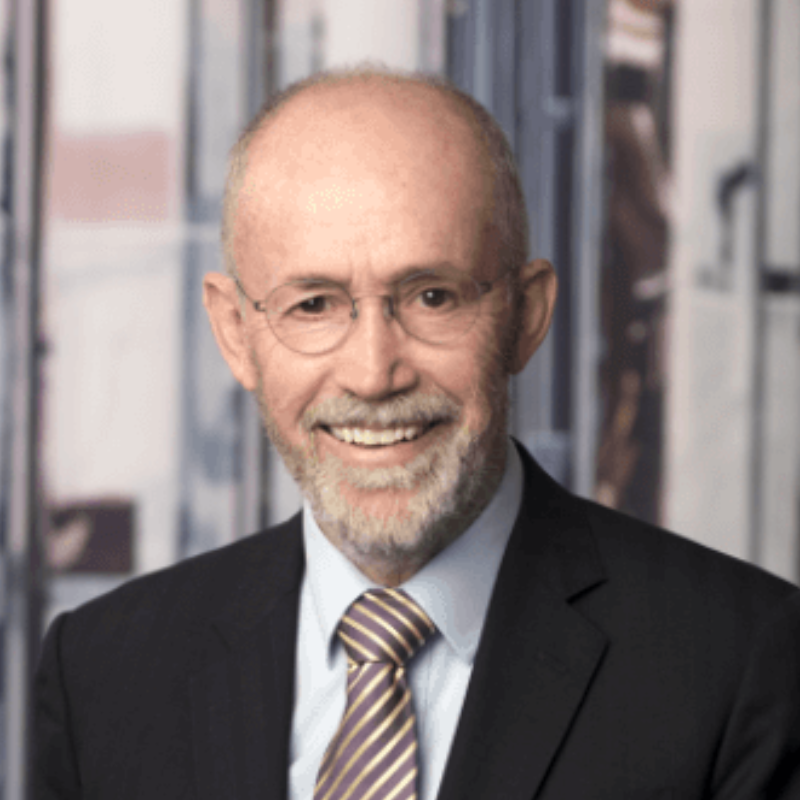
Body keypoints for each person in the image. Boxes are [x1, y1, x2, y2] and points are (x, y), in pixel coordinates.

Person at [33, 67, 800, 800]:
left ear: (527, 316)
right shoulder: (102, 675)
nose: (373, 375)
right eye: (315, 305)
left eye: (433, 296)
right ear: (236, 333)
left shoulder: (747, 665)